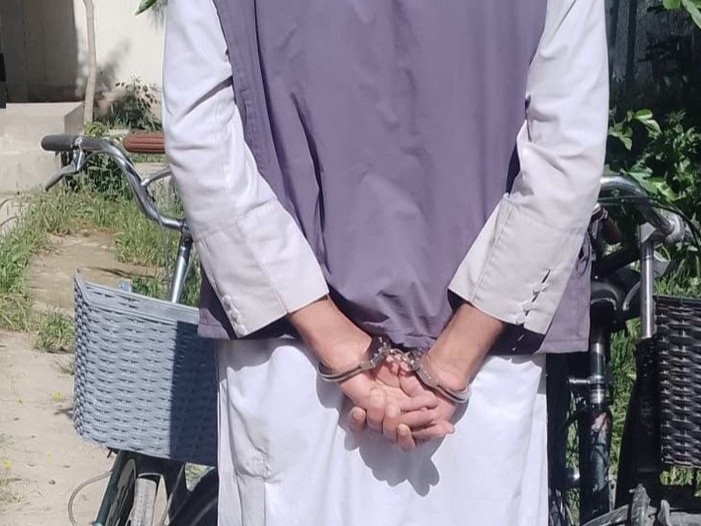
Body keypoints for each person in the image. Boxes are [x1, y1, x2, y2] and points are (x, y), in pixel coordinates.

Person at [162, 0, 608, 523]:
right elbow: (566, 157)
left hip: (292, 365)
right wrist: (450, 363)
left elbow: (202, 139)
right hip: (481, 378)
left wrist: (337, 341)